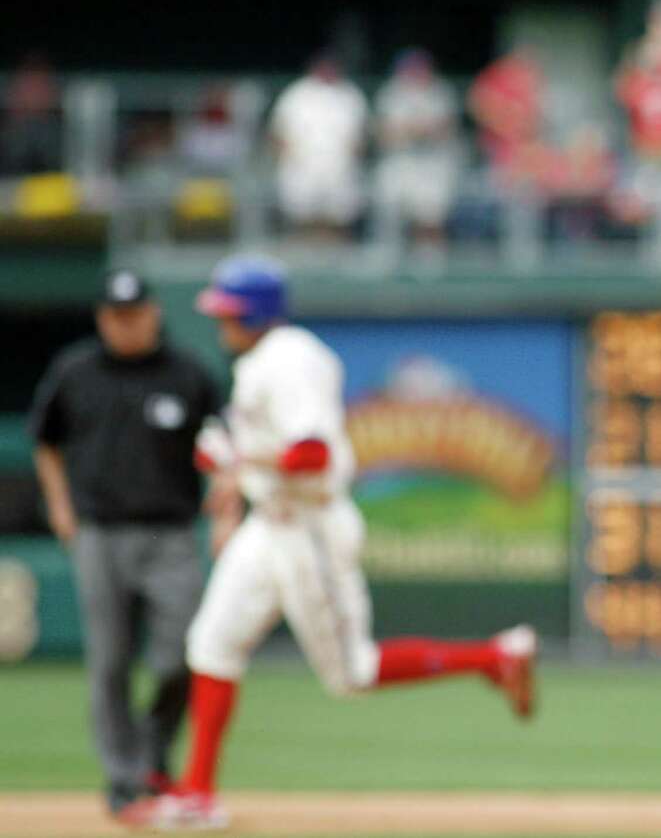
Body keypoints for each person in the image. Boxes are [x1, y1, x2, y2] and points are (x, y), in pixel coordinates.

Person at [122, 256, 538, 830]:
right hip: (268, 524)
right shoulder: (258, 360)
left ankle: (495, 656)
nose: (221, 321)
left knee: (352, 674)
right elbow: (257, 451)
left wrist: (237, 459)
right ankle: (198, 794)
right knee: (211, 645)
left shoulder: (294, 360)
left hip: (309, 528)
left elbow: (310, 453)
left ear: (256, 313)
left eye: (229, 311)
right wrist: (230, 486)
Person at [28, 269, 219, 818]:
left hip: (172, 534)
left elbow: (225, 440)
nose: (125, 324)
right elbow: (45, 442)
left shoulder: (188, 374)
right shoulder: (75, 371)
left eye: (134, 313)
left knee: (182, 655)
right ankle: (124, 776)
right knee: (109, 662)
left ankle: (154, 755)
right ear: (101, 318)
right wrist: (61, 507)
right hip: (100, 532)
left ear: (154, 313)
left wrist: (225, 494)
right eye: (115, 315)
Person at [269, 52, 368, 239]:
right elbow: (278, 132)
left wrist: (350, 159)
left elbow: (361, 135)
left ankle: (337, 263)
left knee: (339, 220)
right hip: (302, 166)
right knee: (302, 220)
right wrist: (290, 158)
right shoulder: (296, 93)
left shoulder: (350, 94)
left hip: (340, 167)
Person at [373, 49, 463, 252]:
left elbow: (446, 128)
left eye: (420, 69)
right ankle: (389, 258)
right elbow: (384, 132)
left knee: (431, 218)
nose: (416, 74)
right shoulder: (391, 93)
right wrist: (414, 130)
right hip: (400, 160)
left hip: (432, 163)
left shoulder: (440, 92)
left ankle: (432, 263)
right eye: (411, 69)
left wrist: (416, 129)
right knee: (390, 211)